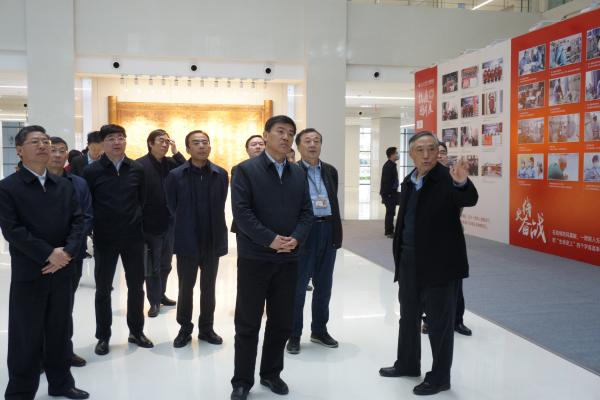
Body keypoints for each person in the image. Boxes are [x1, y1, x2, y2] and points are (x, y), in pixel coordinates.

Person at [379, 131, 478, 396]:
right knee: (408, 317)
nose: (426, 155)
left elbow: (468, 198)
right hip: (409, 261)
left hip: (440, 264)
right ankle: (407, 363)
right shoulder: (409, 180)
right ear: (410, 154)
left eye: (432, 149)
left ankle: (440, 377)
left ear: (438, 152)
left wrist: (462, 183)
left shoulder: (447, 178)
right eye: (420, 150)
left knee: (439, 324)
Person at [0, 126, 89, 400]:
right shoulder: (8, 187)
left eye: (46, 141)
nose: (43, 146)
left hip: (63, 270)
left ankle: (61, 384)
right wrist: (50, 254)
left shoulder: (64, 185)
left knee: (59, 330)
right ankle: (20, 391)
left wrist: (68, 253)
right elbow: (13, 230)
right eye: (35, 142)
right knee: (26, 335)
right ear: (19, 150)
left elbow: (79, 221)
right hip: (31, 271)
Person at [230, 115, 313, 400]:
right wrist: (270, 239)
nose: (286, 137)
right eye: (280, 131)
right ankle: (242, 380)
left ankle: (271, 373)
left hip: (288, 259)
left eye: (290, 133)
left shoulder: (298, 173)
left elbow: (307, 213)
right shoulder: (245, 170)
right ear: (266, 135)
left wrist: (296, 238)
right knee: (248, 322)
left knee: (281, 322)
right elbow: (242, 213)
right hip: (255, 258)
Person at [83, 124, 154, 356]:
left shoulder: (137, 169)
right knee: (103, 289)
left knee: (136, 287)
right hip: (105, 238)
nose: (117, 142)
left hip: (133, 238)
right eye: (111, 138)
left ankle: (136, 331)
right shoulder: (92, 171)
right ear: (102, 143)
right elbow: (87, 204)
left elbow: (143, 201)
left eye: (121, 137)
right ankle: (103, 336)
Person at [166, 130, 229, 348]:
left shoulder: (220, 174)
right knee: (185, 288)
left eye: (205, 142)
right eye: (196, 143)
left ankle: (206, 328)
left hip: (212, 241)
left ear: (210, 146)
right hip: (187, 241)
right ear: (187, 148)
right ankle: (184, 329)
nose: (202, 146)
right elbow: (171, 206)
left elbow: (221, 203)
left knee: (209, 288)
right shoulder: (175, 175)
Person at [286, 128, 343, 355]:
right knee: (298, 289)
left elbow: (332, 199)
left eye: (317, 141)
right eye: (307, 141)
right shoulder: (291, 171)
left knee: (324, 286)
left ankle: (319, 330)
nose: (312, 145)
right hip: (303, 233)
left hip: (327, 229)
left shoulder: (330, 171)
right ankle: (293, 334)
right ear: (298, 146)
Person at [47, 137, 94, 368]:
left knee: (65, 306)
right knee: (41, 307)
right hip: (42, 257)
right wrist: (49, 252)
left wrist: (67, 251)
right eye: (53, 150)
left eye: (62, 151)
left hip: (72, 255)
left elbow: (86, 217)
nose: (57, 155)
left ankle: (65, 350)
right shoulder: (35, 182)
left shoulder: (79, 183)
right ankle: (41, 354)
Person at [422, 142, 473, 337]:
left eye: (443, 152)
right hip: (428, 240)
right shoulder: (423, 178)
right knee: (429, 283)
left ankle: (457, 320)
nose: (440, 156)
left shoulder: (455, 177)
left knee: (455, 284)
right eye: (437, 152)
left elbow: (466, 200)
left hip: (451, 240)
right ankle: (429, 319)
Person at [136, 129, 185, 318]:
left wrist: (176, 152)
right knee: (152, 267)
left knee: (166, 264)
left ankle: (161, 294)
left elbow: (187, 168)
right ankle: (154, 301)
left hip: (170, 223)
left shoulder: (171, 163)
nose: (165, 144)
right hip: (149, 225)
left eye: (167, 141)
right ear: (150, 143)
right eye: (161, 141)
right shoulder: (140, 165)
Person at [380, 146, 399, 238]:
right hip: (389, 193)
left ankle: (390, 230)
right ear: (392, 155)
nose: (397, 155)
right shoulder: (389, 166)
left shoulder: (392, 165)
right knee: (390, 212)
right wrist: (389, 194)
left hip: (392, 193)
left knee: (391, 212)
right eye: (396, 153)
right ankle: (389, 232)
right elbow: (386, 182)